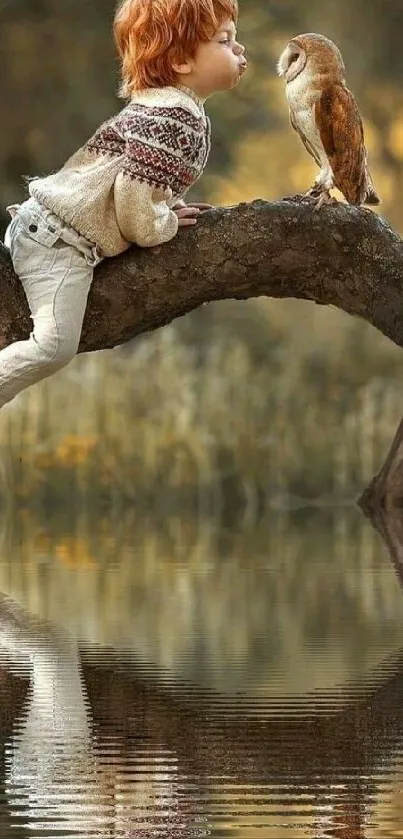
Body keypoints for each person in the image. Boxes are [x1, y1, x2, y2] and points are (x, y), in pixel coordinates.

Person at [1, 0, 247, 410]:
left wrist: (164, 207)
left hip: (45, 228)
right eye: (225, 40)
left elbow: (143, 187)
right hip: (59, 246)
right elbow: (135, 212)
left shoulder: (171, 107)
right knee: (54, 347)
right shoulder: (171, 119)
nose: (240, 50)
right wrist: (161, 224)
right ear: (183, 59)